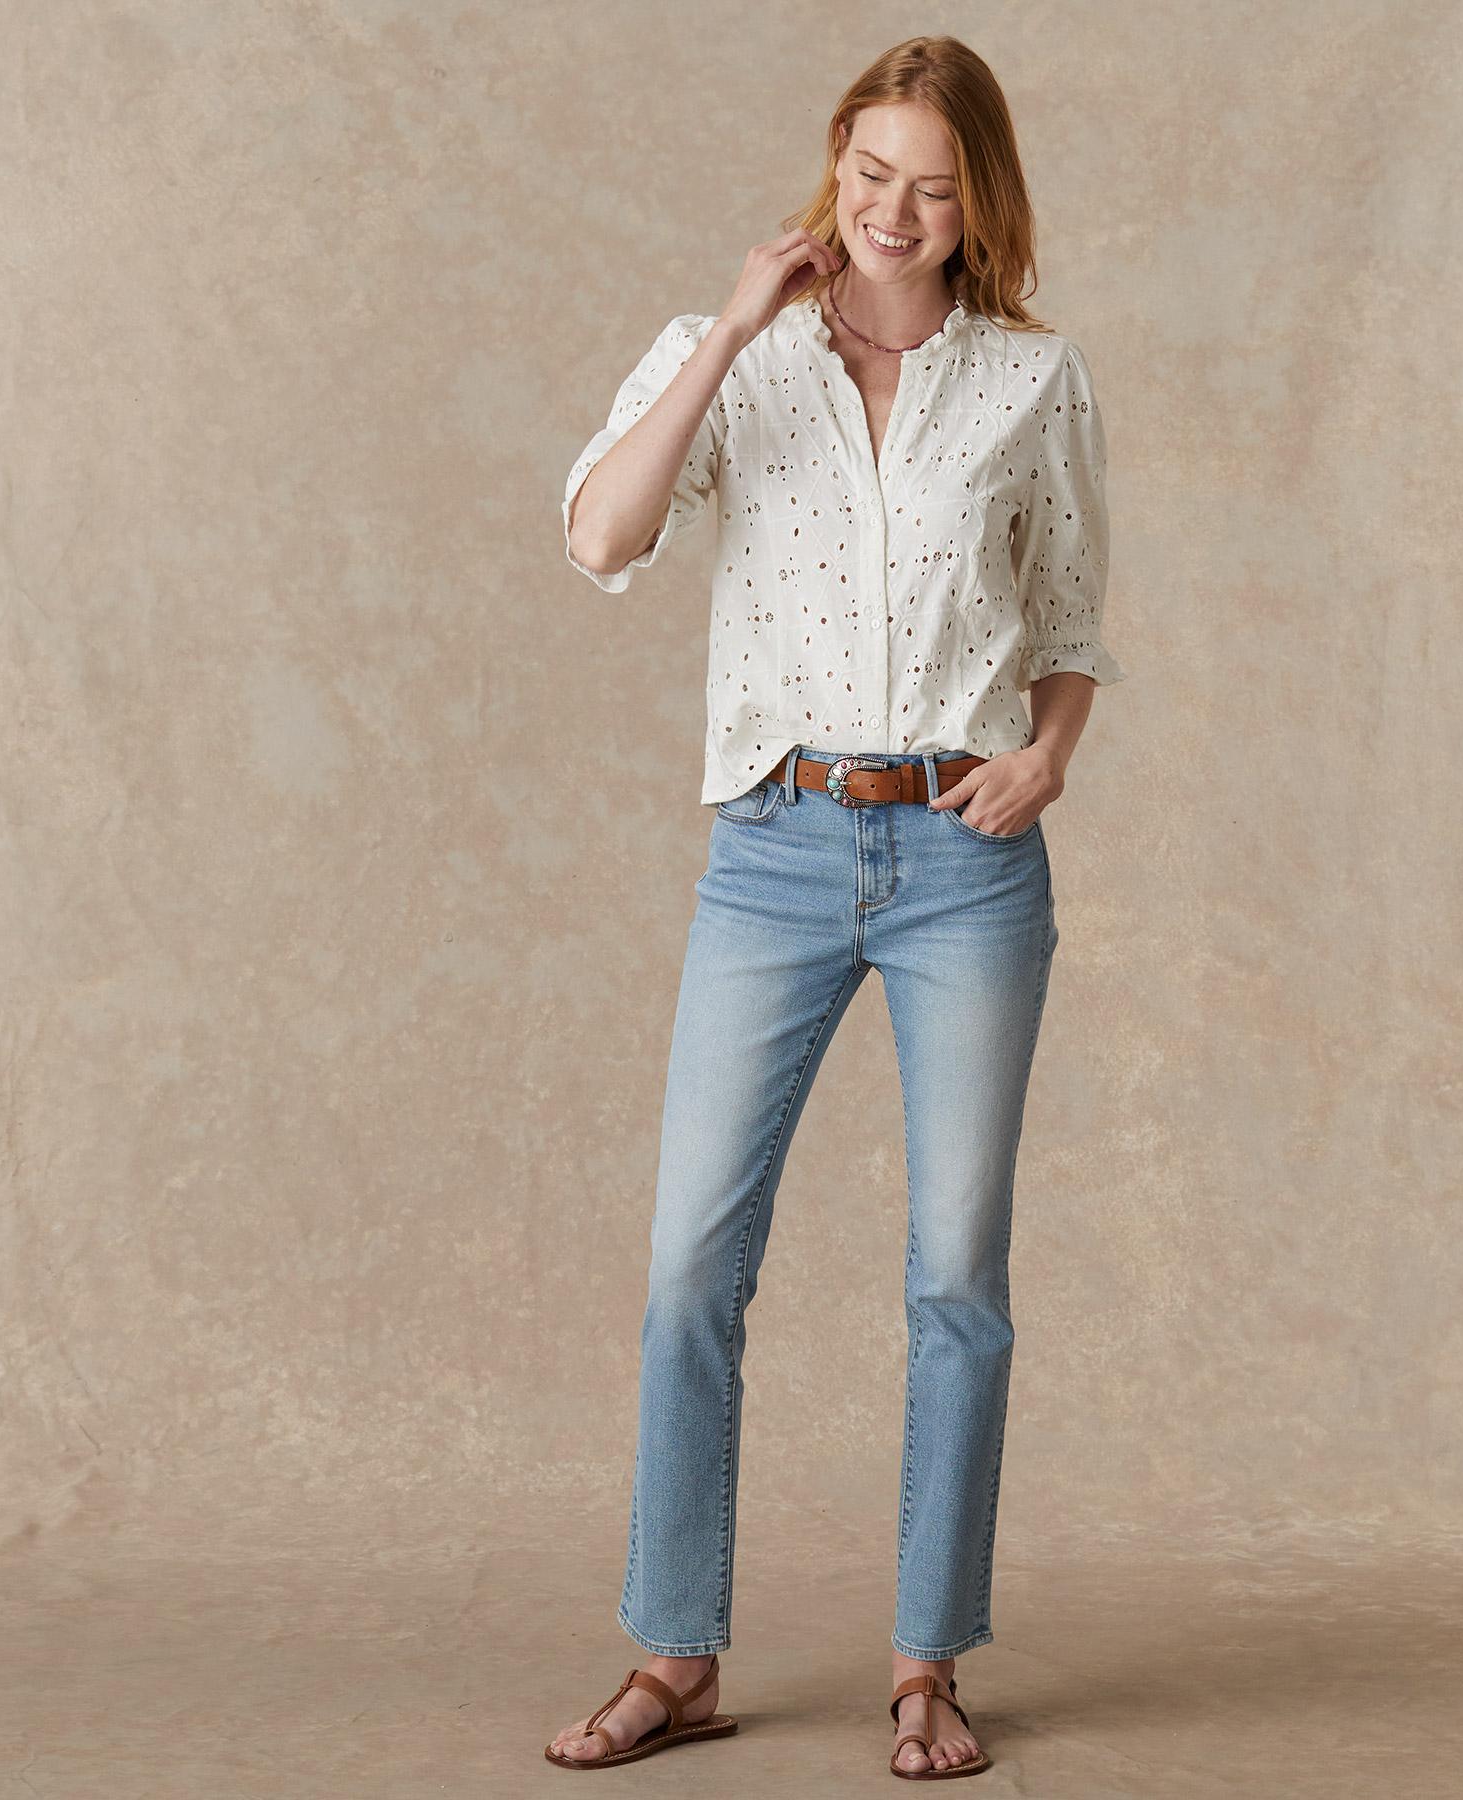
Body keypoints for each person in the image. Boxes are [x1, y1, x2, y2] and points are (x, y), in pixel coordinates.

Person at [544, 34, 1125, 1780]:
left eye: (934, 187)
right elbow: (602, 538)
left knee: (957, 1277)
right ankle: (677, 1657)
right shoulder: (735, 358)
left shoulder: (1031, 378)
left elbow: (1070, 617)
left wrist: (1048, 759)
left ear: (978, 206)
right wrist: (731, 329)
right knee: (690, 1266)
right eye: (872, 171)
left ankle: (927, 1667)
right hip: (776, 849)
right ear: (835, 163)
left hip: (963, 862)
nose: (893, 210)